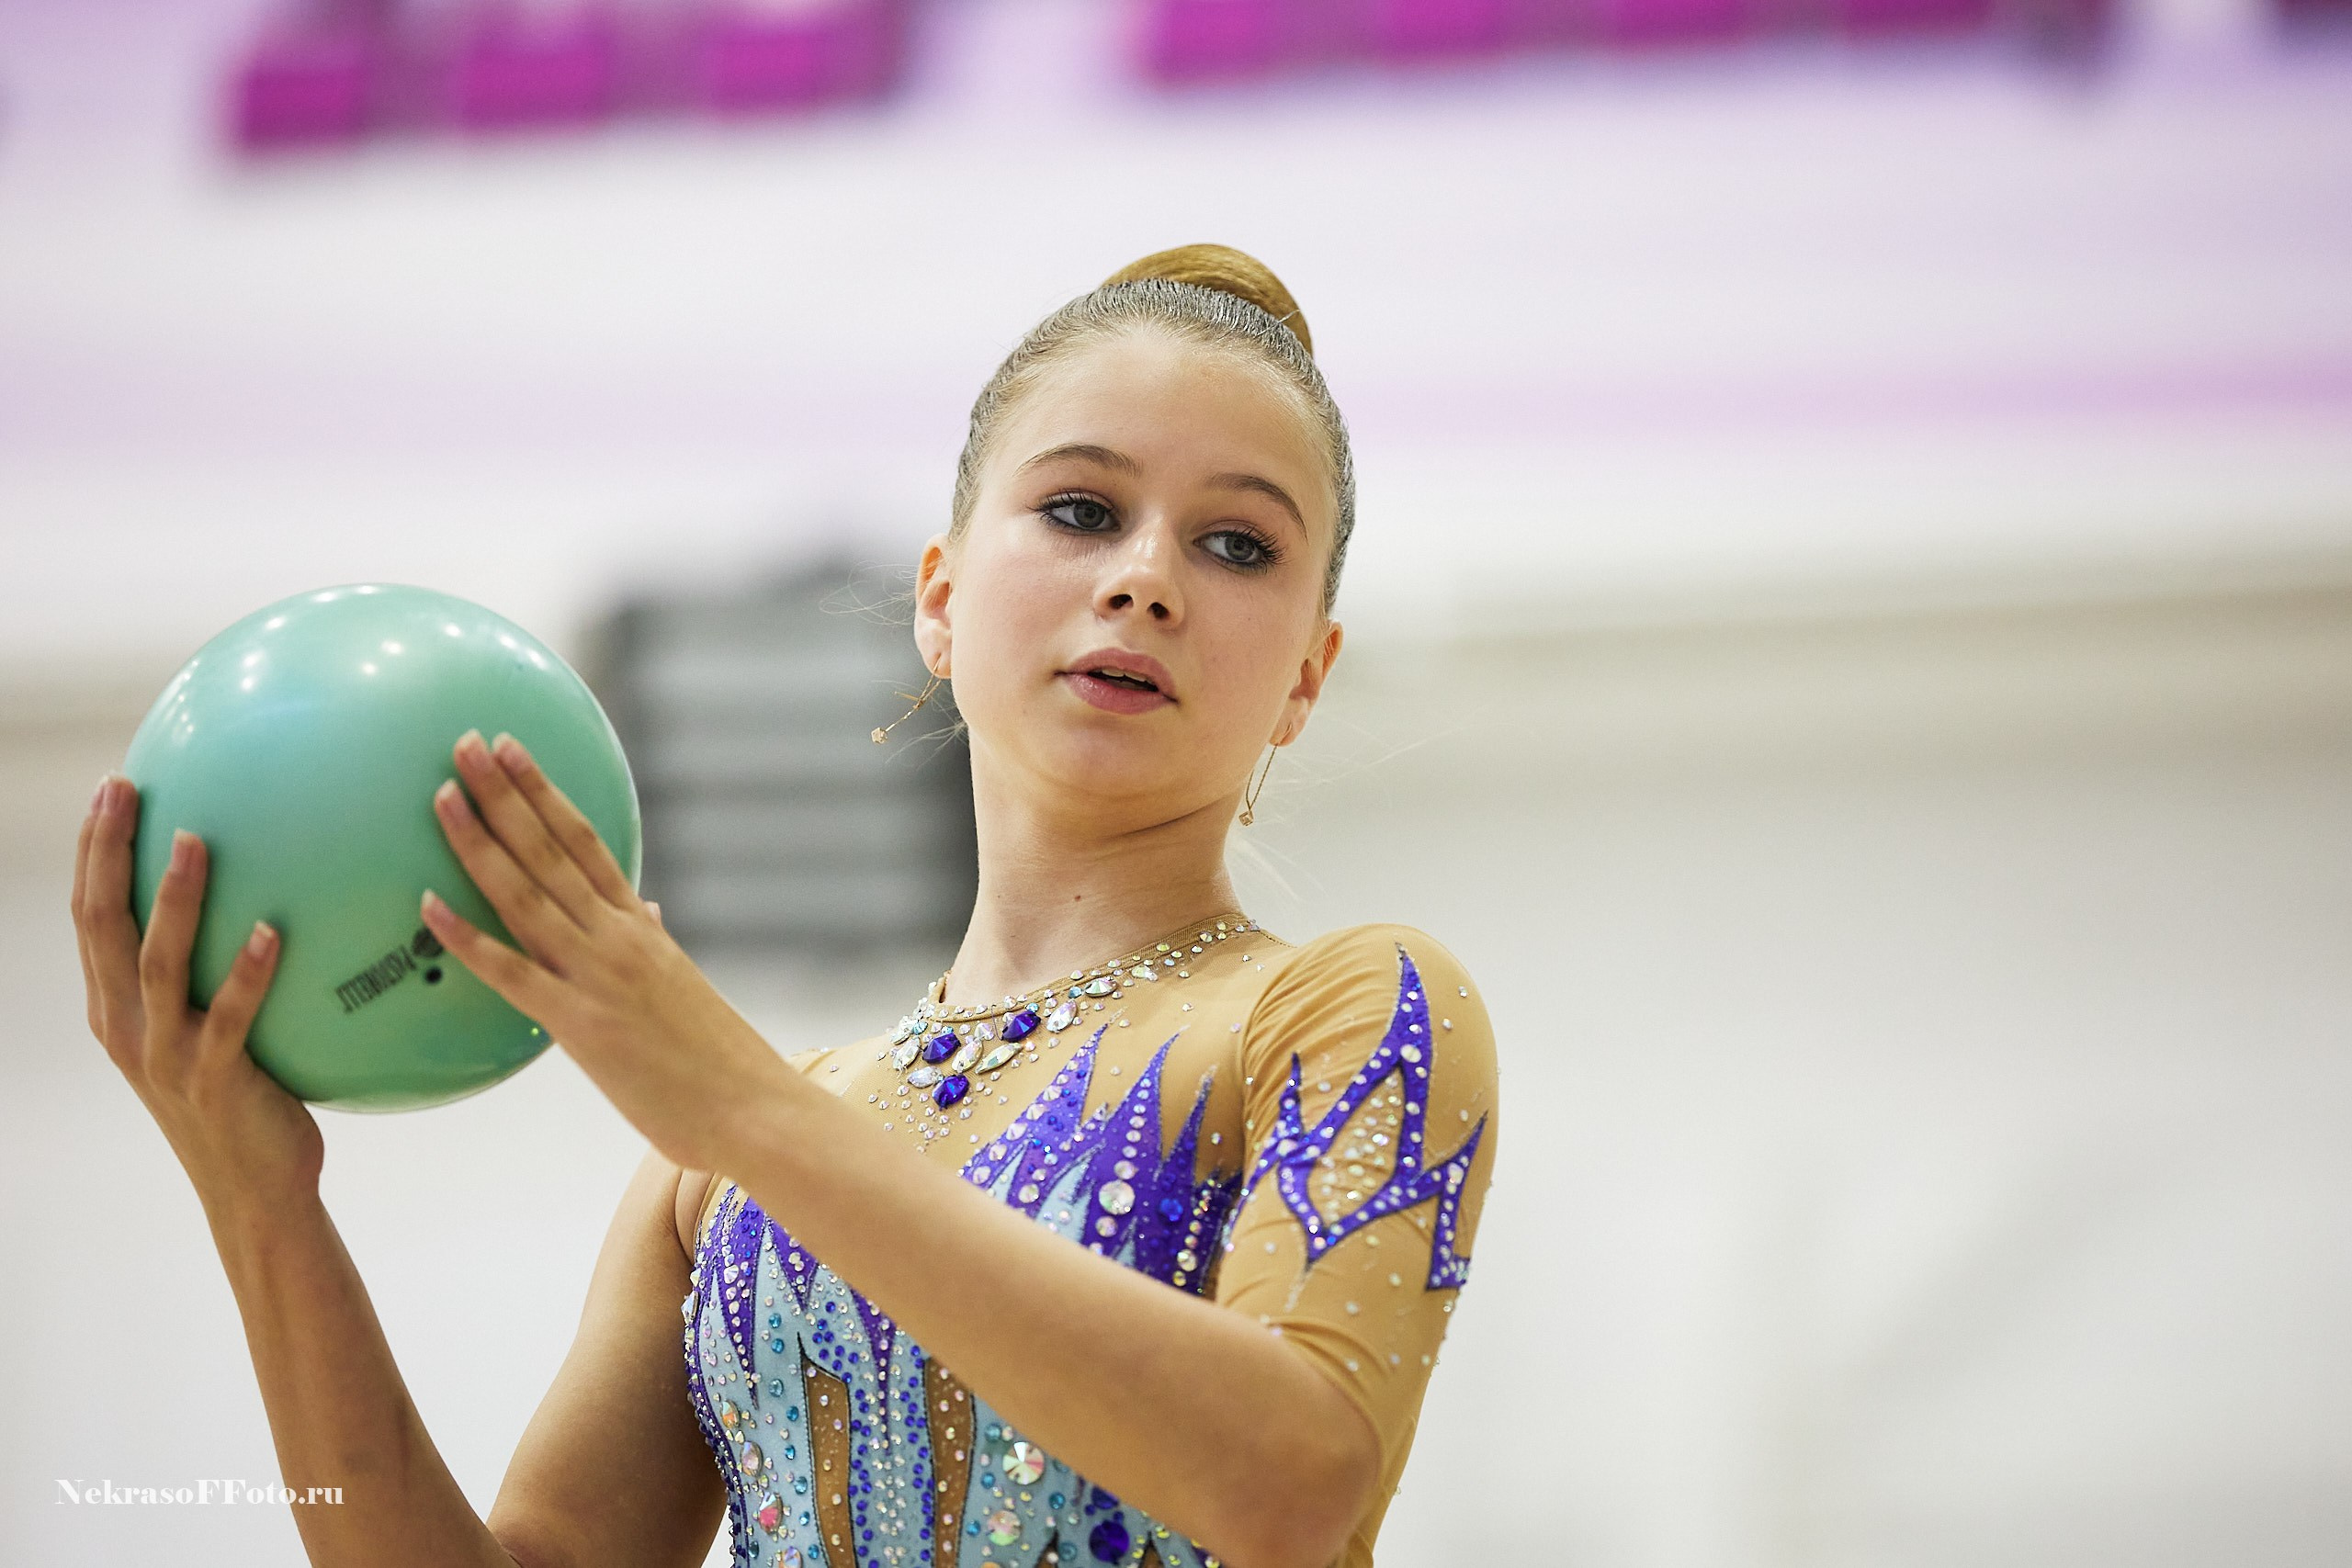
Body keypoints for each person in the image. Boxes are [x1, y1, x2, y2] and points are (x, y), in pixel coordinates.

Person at [72, 244, 1499, 1568]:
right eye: (1080, 509)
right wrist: (264, 1207)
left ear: (1308, 675)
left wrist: (748, 1110)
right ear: (939, 603)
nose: (1143, 578)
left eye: (1236, 544)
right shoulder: (711, 1181)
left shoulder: (1346, 1006)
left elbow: (1296, 1482)